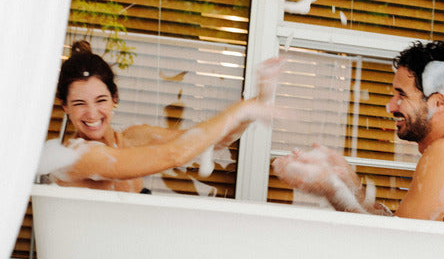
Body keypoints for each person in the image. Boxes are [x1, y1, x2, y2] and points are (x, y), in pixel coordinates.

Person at [273, 40, 444, 225]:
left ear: (439, 102)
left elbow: (393, 245)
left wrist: (332, 190)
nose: (391, 106)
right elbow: (399, 226)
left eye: (402, 95)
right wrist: (351, 186)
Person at [38, 40, 283, 192]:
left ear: (114, 98)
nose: (92, 113)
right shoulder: (77, 157)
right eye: (79, 103)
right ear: (65, 107)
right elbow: (175, 154)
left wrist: (259, 103)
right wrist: (243, 108)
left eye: (100, 100)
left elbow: (215, 141)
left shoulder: (134, 138)